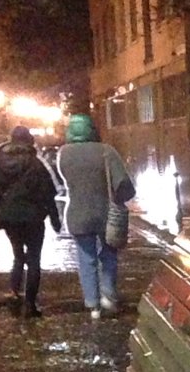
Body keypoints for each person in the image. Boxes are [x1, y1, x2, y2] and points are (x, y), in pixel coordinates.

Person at [55, 114, 134, 319]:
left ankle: (93, 304)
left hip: (77, 213)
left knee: (86, 257)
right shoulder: (106, 151)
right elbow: (122, 182)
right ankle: (108, 294)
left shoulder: (63, 154)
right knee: (108, 254)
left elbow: (62, 182)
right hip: (106, 213)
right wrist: (122, 198)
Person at [0, 126, 61, 318]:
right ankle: (31, 304)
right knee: (34, 259)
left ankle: (14, 291)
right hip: (34, 218)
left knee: (18, 254)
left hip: (10, 218)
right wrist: (55, 220)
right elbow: (48, 194)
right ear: (29, 141)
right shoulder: (36, 164)